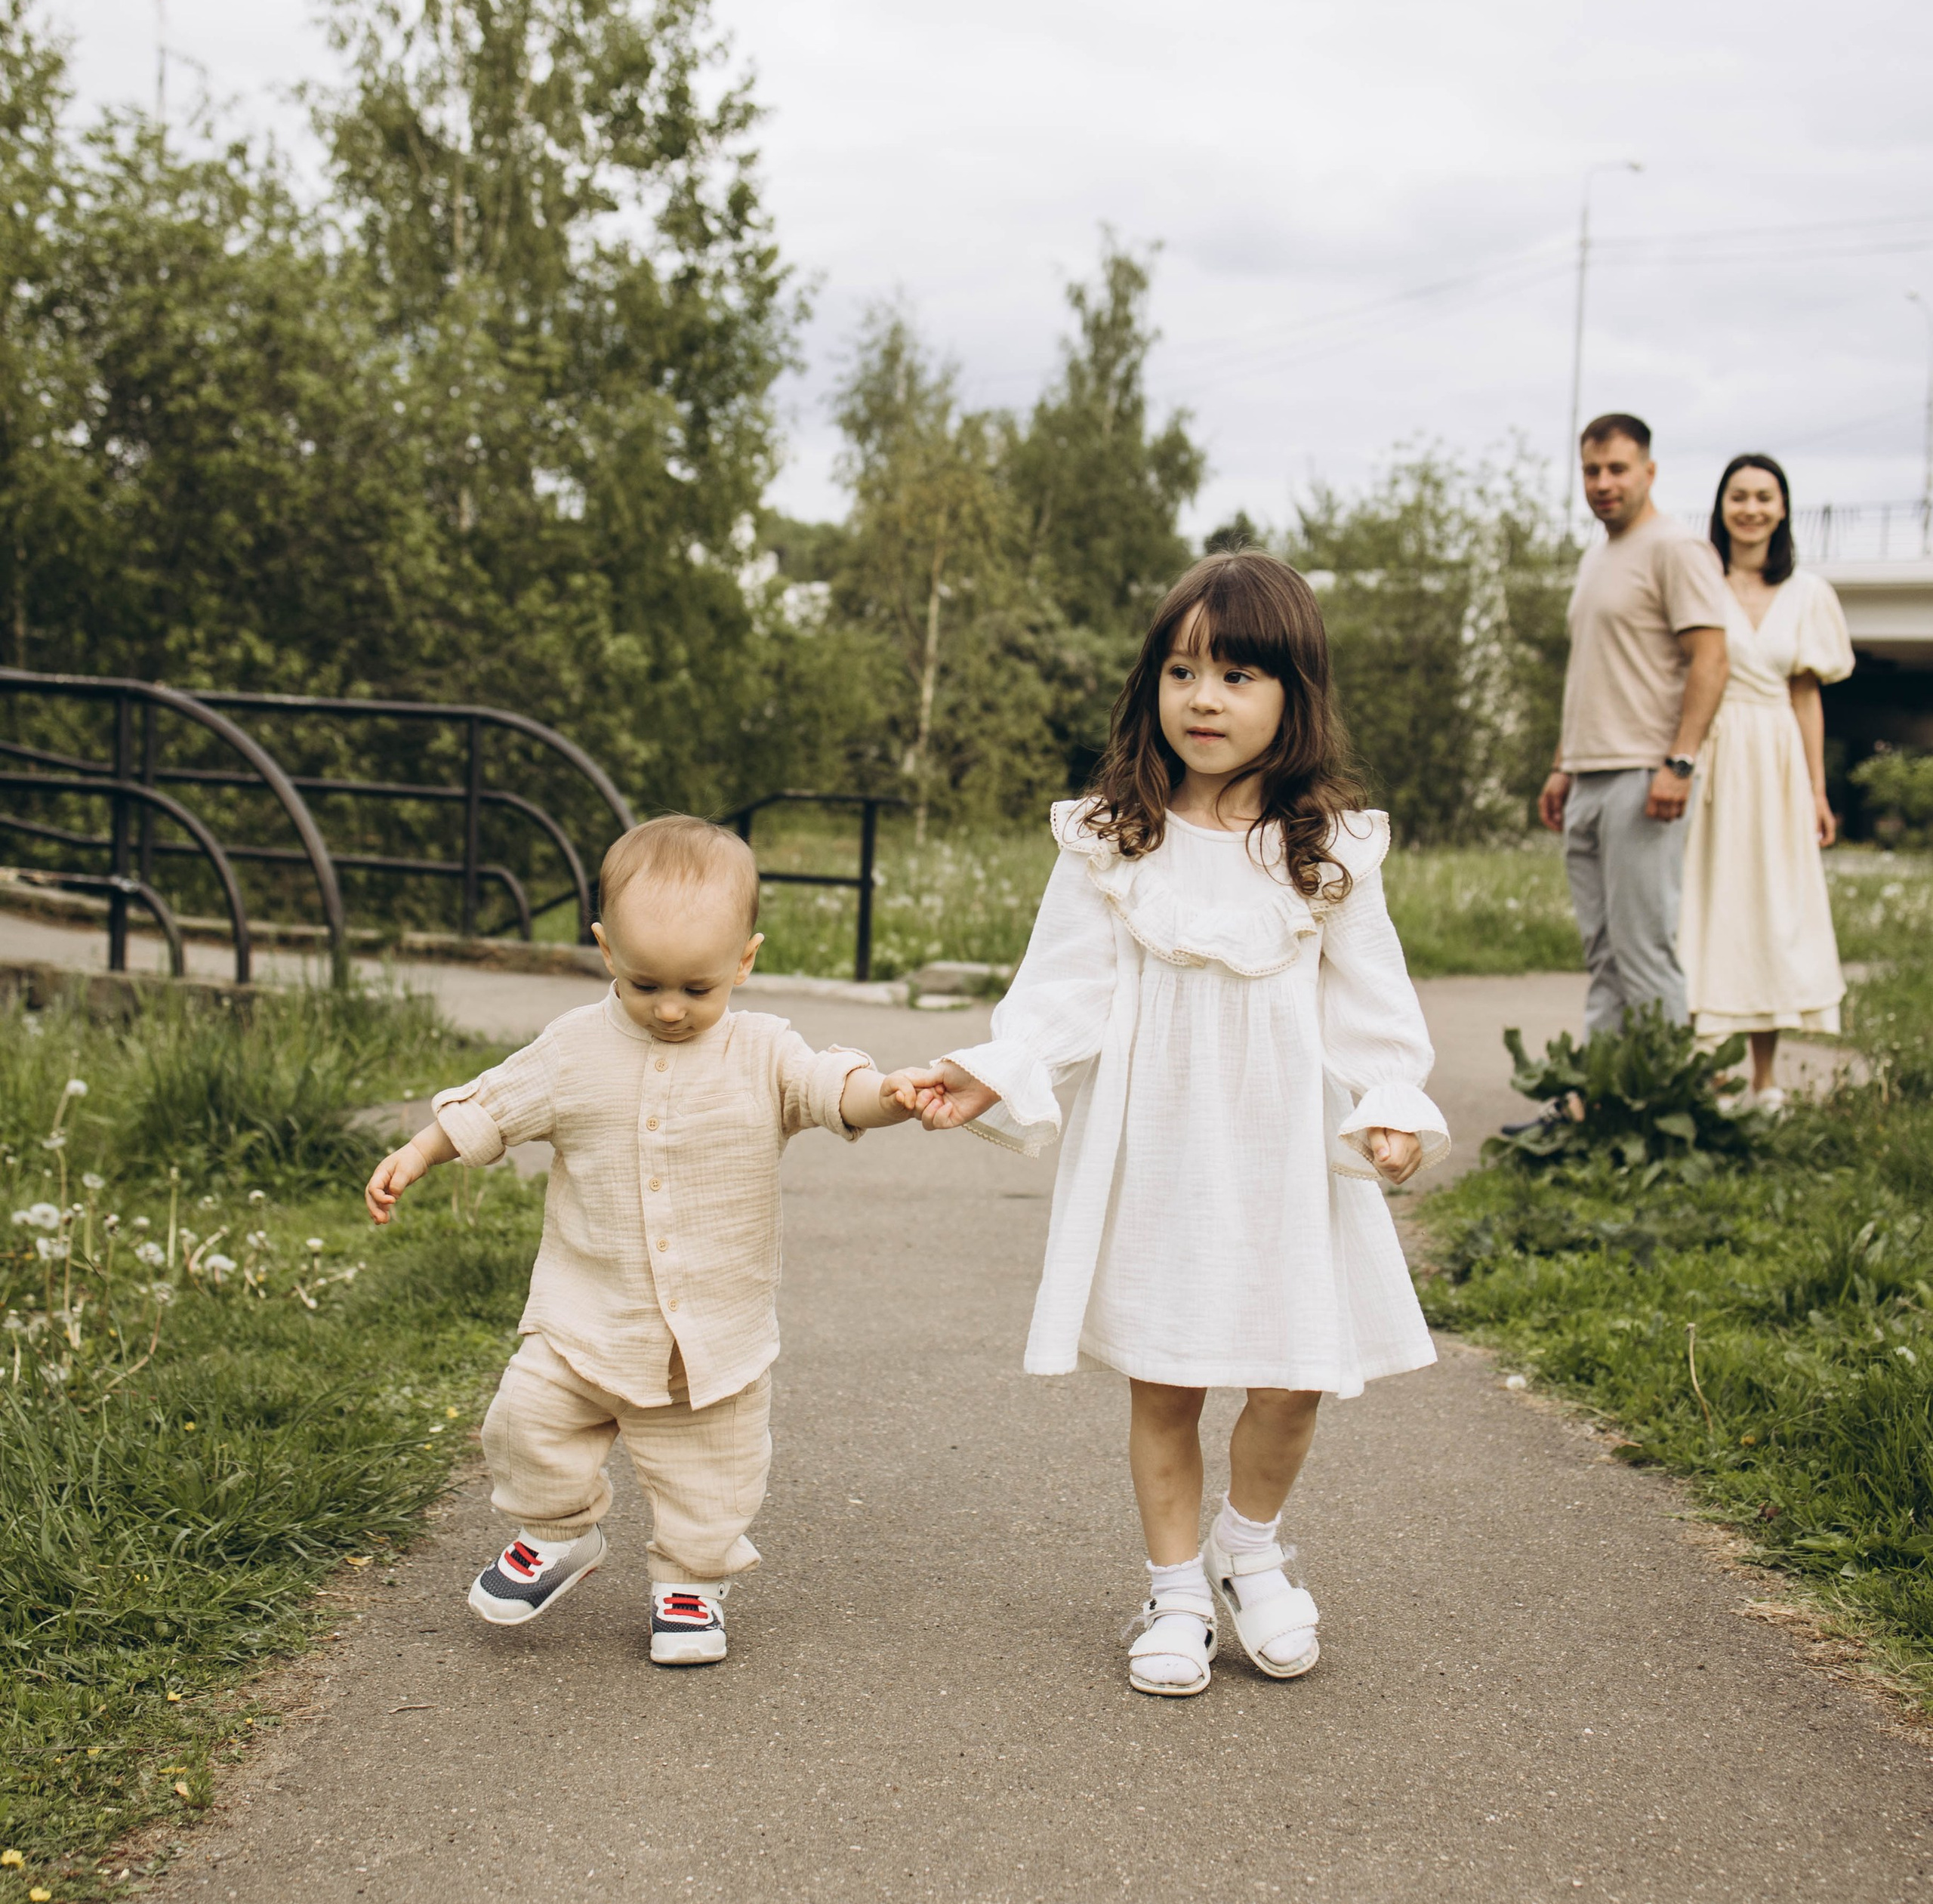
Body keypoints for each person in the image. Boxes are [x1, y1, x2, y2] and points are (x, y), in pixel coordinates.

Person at [899, 551, 1447, 1701]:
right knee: (1168, 1374)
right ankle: (1175, 1586)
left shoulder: (1330, 851)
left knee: (1294, 1375)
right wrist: (995, 1071)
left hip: (1288, 1154)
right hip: (1160, 1151)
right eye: (1184, 669)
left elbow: (1375, 1003)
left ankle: (1250, 1546)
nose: (1205, 698)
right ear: (1153, 682)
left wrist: (1392, 1102)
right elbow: (1062, 991)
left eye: (1239, 674)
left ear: (1294, 696)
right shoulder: (1115, 838)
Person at [363, 814, 919, 1666]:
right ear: (605, 950)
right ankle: (555, 1534)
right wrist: (419, 1151)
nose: (669, 1008)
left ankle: (692, 1582)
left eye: (698, 989)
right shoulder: (574, 1047)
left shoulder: (762, 1049)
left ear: (744, 959)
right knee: (526, 1421)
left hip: (713, 1335)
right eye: (643, 982)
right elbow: (495, 1104)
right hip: (585, 1314)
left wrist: (888, 1093)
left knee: (714, 1473)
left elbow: (828, 1089)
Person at [1538, 414, 1732, 1036]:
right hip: (1589, 775)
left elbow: (1712, 658)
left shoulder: (1676, 548)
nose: (1603, 482)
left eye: (1617, 468)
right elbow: (1592, 671)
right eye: (1591, 470)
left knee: (1644, 953)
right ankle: (1603, 1106)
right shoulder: (1598, 557)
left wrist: (1680, 762)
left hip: (1645, 774)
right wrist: (1562, 766)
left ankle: (1664, 1114)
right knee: (1603, 954)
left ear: (1649, 472)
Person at [1678, 452, 1853, 1107]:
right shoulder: (1701, 582)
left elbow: (1806, 697)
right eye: (1739, 495)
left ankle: (1766, 1078)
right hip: (1714, 752)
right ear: (1722, 507)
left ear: (1782, 509)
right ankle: (1711, 1070)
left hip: (1776, 757)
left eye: (1764, 497)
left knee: (1776, 906)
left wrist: (1816, 788)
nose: (1751, 508)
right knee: (1709, 901)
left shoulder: (1809, 593)